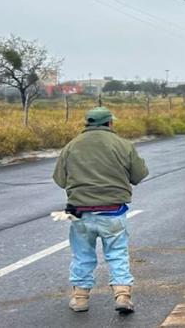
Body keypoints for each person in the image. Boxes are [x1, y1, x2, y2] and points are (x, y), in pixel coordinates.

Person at [52, 106, 149, 314]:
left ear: (86, 123)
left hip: (80, 213)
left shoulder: (71, 146)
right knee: (116, 254)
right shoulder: (123, 145)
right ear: (110, 123)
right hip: (113, 211)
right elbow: (139, 175)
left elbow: (60, 180)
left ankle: (80, 299)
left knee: (82, 255)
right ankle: (122, 295)